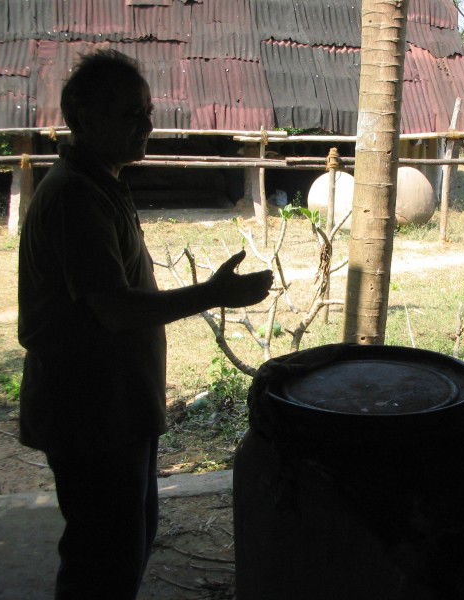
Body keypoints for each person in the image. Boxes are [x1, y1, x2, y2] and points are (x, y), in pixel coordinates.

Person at [17, 50, 273, 599]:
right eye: (131, 114)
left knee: (123, 541)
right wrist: (212, 294)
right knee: (101, 559)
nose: (148, 125)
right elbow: (115, 309)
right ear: (84, 119)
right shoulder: (75, 199)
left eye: (147, 110)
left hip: (115, 406)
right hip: (90, 411)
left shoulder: (99, 184)